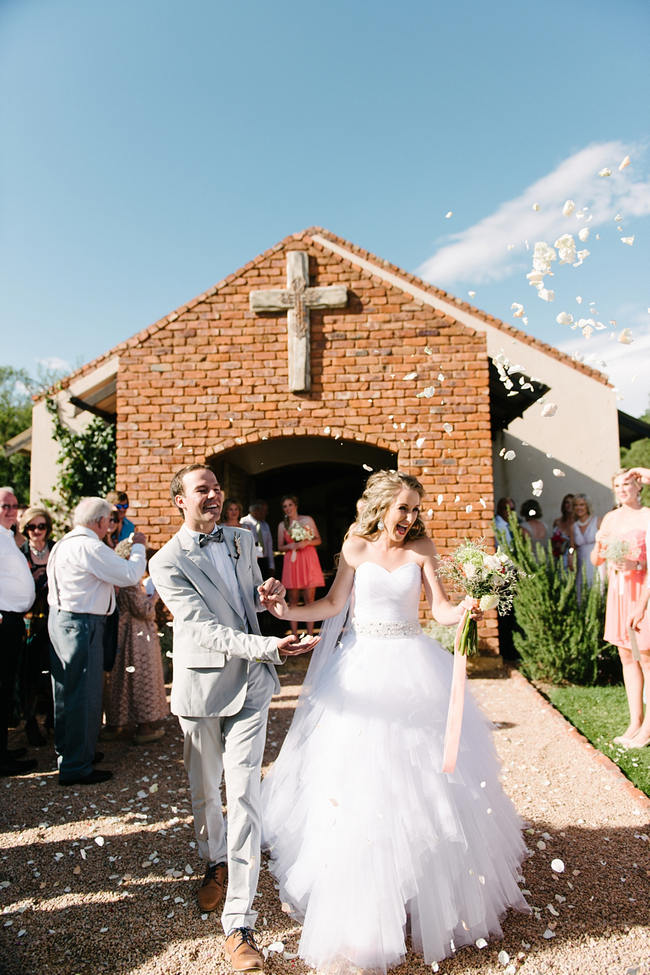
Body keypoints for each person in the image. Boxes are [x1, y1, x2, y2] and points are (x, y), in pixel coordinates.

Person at [262, 470, 529, 973]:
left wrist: (472, 603)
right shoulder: (355, 549)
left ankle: (428, 897)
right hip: (361, 673)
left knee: (423, 786)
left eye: (414, 508)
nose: (409, 518)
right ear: (381, 507)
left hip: (413, 666)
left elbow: (443, 611)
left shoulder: (423, 547)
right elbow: (335, 605)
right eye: (402, 508)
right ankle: (365, 905)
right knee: (362, 787)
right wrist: (286, 609)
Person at [148, 464, 318, 973]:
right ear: (180, 500)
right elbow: (202, 628)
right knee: (206, 792)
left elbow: (249, 604)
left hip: (251, 686)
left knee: (243, 793)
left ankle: (238, 923)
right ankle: (215, 861)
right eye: (203, 489)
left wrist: (270, 599)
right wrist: (270, 645)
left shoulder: (244, 539)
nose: (214, 495)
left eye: (217, 488)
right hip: (201, 689)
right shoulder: (165, 561)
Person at [47, 498, 147, 785]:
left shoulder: (65, 542)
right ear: (101, 521)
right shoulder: (89, 545)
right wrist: (138, 546)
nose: (110, 527)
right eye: (109, 521)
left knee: (66, 692)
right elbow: (130, 575)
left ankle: (71, 752)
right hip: (82, 623)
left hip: (62, 619)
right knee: (85, 694)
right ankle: (77, 765)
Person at [592, 470, 650, 749]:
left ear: (638, 486)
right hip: (619, 594)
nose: (621, 489)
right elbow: (595, 559)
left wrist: (636, 566)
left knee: (648, 658)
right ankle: (635, 722)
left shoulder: (647, 516)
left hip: (643, 593)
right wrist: (601, 544)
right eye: (617, 485)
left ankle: (648, 729)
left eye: (626, 483)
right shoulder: (611, 518)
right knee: (627, 656)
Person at [102, 539, 169, 744]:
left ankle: (116, 724)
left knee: (120, 680)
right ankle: (144, 726)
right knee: (141, 677)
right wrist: (156, 595)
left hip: (121, 632)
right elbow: (144, 610)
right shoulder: (130, 581)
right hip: (137, 637)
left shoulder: (118, 577)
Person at [0, 487, 37, 777]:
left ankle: (4, 750)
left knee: (7, 685)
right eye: (4, 506)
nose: (11, 510)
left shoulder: (8, 538)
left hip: (14, 621)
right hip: (3, 621)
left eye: (14, 505)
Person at [19, 506, 55, 746]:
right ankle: (30, 723)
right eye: (32, 526)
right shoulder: (21, 552)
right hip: (29, 618)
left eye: (41, 526)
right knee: (28, 673)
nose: (36, 531)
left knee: (52, 670)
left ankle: (53, 720)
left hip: (52, 616)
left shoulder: (55, 549)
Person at [277, 494, 325, 636]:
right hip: (293, 561)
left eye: (290, 505)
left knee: (310, 600)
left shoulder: (307, 520)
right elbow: (280, 547)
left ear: (296, 506)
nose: (288, 508)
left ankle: (310, 634)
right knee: (292, 600)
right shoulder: (282, 525)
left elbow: (318, 540)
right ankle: (294, 635)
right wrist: (293, 545)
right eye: (285, 506)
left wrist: (306, 542)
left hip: (308, 559)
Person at [572, 493, 602, 601]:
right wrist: (570, 556)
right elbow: (572, 546)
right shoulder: (574, 526)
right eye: (576, 505)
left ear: (587, 506)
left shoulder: (598, 521)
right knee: (582, 594)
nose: (579, 508)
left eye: (582, 505)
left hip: (597, 564)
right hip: (581, 563)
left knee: (598, 592)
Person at [240, 500, 275, 579]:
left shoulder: (265, 525)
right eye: (264, 511)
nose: (266, 513)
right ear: (256, 510)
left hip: (264, 562)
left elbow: (269, 546)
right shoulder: (243, 523)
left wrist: (271, 565)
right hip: (250, 561)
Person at [551, 493, 575, 566]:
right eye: (567, 502)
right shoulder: (557, 522)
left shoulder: (577, 523)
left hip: (572, 558)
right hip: (558, 557)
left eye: (572, 503)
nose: (569, 505)